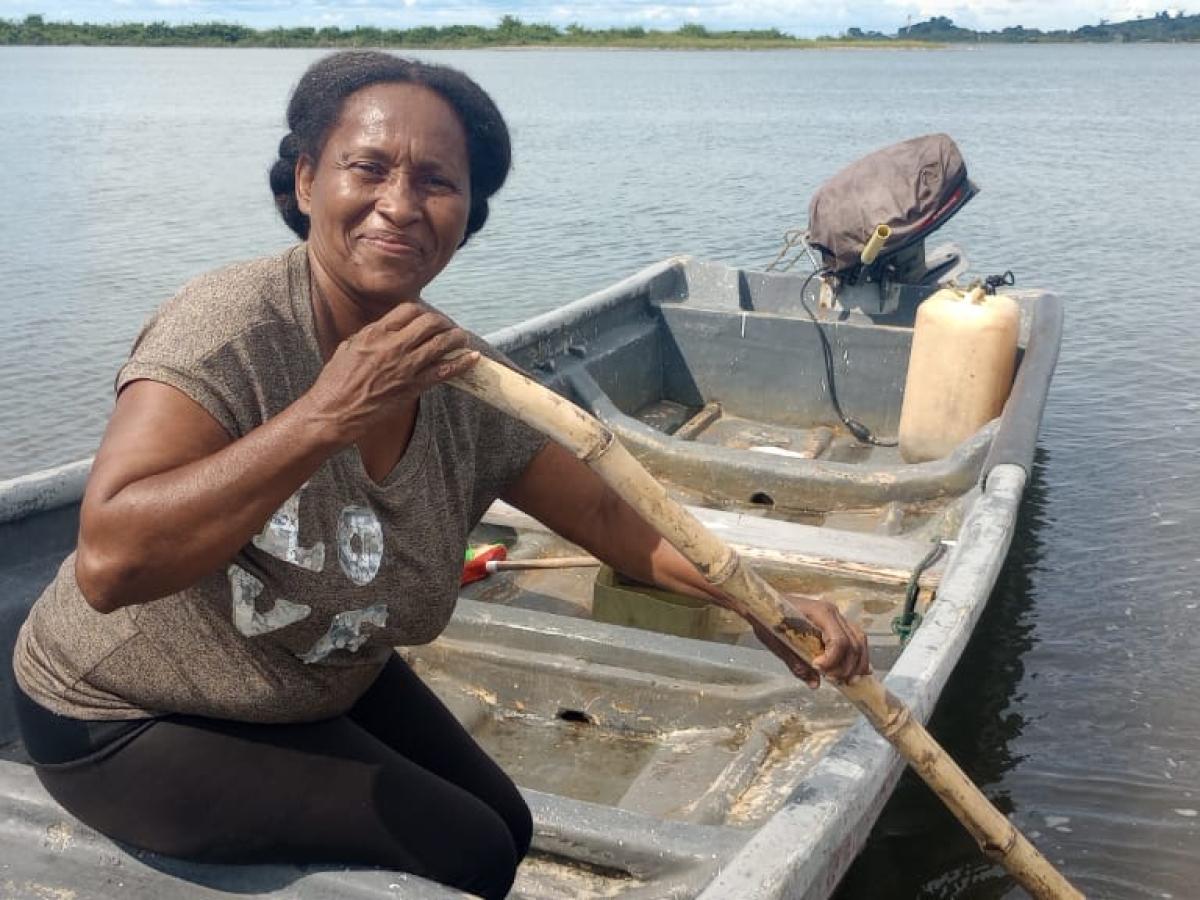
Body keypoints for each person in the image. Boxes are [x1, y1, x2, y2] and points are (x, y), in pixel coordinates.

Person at [10, 51, 869, 899]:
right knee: (467, 851)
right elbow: (111, 562)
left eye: (436, 181)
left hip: (312, 673)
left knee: (509, 826)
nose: (399, 204)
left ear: (470, 212)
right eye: (368, 168)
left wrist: (763, 603)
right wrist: (324, 416)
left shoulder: (463, 378)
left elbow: (610, 520)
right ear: (308, 181)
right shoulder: (226, 330)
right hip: (124, 715)